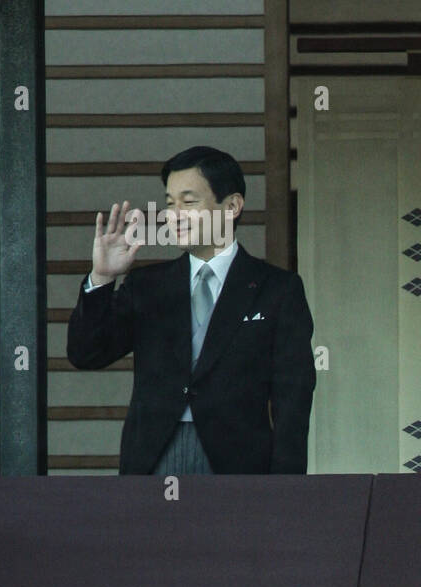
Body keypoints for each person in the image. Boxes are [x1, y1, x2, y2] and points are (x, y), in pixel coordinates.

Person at [66, 146, 316, 474]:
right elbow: (86, 353)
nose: (174, 214)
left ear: (232, 206)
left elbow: (293, 394)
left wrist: (285, 485)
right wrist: (102, 278)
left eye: (189, 201)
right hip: (153, 457)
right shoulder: (148, 285)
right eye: (170, 203)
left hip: (238, 462)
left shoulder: (277, 289)